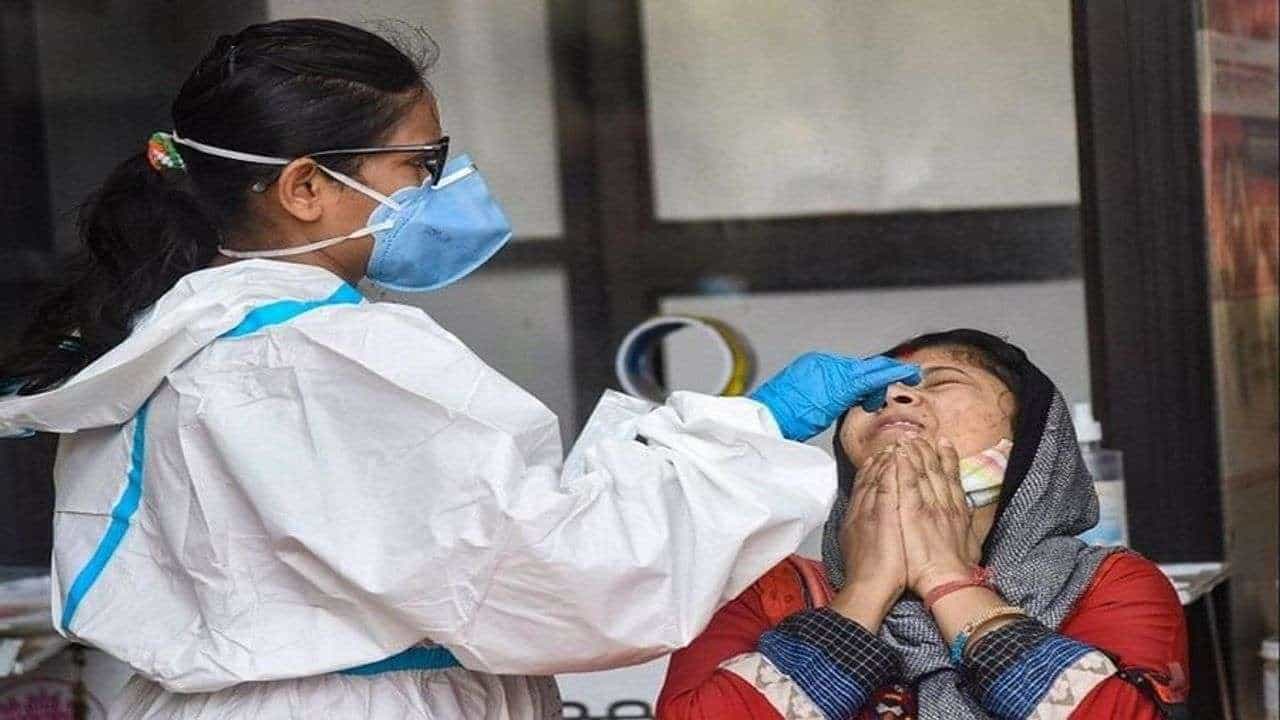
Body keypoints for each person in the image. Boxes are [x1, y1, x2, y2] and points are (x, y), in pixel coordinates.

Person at [0, 19, 921, 720]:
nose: (446, 186)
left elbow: (477, 534)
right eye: (422, 162)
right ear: (306, 187)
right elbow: (552, 576)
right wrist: (752, 431)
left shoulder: (189, 335)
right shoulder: (315, 357)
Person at [657, 329, 1189, 720]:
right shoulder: (766, 587)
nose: (894, 395)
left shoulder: (1105, 583)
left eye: (943, 381)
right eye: (873, 394)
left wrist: (946, 579)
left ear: (1032, 440)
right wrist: (866, 590)